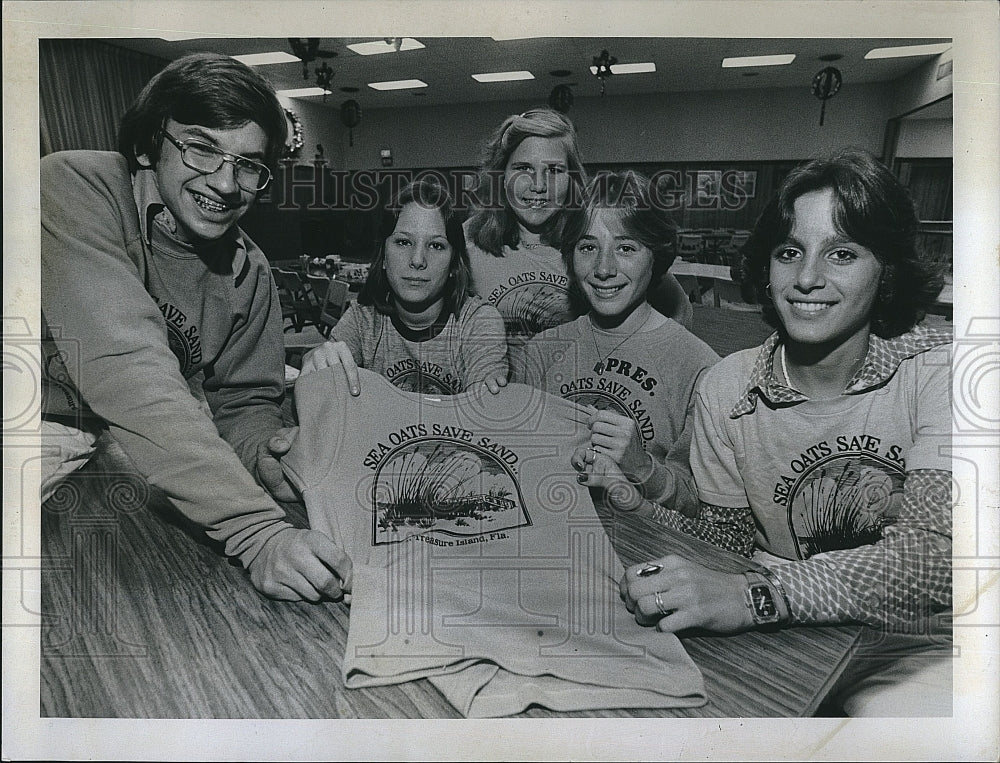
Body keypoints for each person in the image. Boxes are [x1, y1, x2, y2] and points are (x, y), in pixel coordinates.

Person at [616, 148, 952, 716]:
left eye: (841, 253)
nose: (808, 278)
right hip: (791, 635)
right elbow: (724, 542)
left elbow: (934, 560)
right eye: (790, 251)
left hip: (916, 643)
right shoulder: (727, 386)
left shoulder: (945, 371)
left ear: (886, 270)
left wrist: (759, 596)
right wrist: (636, 499)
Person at [40, 53, 351, 602]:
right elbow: (126, 365)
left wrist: (269, 460)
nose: (226, 182)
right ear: (146, 145)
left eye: (249, 164)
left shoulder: (248, 269)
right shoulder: (74, 185)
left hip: (123, 445)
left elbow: (243, 403)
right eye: (202, 148)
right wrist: (256, 532)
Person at [513, 171, 719, 512]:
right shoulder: (541, 351)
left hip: (645, 550)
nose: (604, 268)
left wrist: (641, 467)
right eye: (588, 247)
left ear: (657, 257)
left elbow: (702, 512)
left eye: (625, 248)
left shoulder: (701, 369)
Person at [464, 107, 694, 353]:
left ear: (572, 176)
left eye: (554, 170)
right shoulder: (466, 240)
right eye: (523, 168)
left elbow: (679, 310)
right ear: (501, 174)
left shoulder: (594, 235)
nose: (538, 185)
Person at [299, 178, 508, 396]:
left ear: (454, 264)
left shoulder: (478, 322)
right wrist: (315, 362)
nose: (418, 260)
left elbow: (484, 413)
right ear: (383, 257)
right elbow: (319, 393)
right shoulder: (363, 320)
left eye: (436, 245)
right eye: (403, 242)